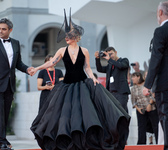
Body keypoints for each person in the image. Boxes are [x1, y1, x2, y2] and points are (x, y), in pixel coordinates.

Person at [30, 9, 130, 150]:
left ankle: (87, 142)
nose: (66, 37)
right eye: (66, 35)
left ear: (76, 37)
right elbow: (50, 63)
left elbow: (88, 68)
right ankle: (68, 143)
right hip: (66, 87)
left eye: (69, 35)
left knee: (86, 115)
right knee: (66, 116)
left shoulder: (84, 51)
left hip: (83, 85)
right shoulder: (61, 51)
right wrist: (36, 68)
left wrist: (93, 79)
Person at [0, 18, 34, 150]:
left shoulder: (15, 43)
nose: (0, 31)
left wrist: (27, 69)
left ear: (10, 30)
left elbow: (17, 63)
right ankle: (0, 142)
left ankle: (1, 139)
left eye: (3, 29)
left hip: (9, 84)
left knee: (5, 113)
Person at [143, 1, 168, 150]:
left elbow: (155, 59)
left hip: (165, 85)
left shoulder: (160, 31)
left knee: (165, 117)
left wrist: (147, 84)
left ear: (160, 13)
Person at [94, 46, 131, 113]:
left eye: (111, 54)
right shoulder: (110, 65)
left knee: (122, 112)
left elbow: (121, 66)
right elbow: (100, 69)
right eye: (108, 54)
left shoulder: (124, 60)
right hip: (111, 93)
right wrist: (97, 59)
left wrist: (109, 59)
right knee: (113, 113)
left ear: (116, 52)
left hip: (121, 92)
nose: (110, 56)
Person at [131, 72, 158, 145]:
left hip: (151, 108)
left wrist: (149, 104)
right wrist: (138, 108)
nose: (132, 79)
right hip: (141, 110)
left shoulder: (147, 85)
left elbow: (153, 96)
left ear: (138, 77)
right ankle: (141, 144)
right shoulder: (133, 88)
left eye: (133, 77)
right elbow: (133, 101)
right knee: (141, 128)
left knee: (156, 126)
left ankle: (159, 143)